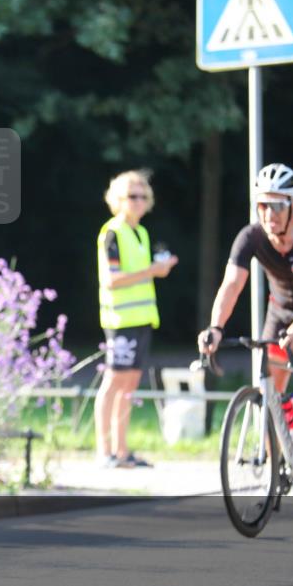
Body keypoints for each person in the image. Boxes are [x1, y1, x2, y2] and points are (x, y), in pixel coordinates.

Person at [197, 162, 293, 443]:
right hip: (280, 309)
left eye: (277, 206)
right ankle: (277, 466)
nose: (269, 214)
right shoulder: (250, 236)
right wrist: (215, 327)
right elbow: (231, 285)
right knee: (269, 396)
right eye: (262, 205)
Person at [95, 170, 179, 468]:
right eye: (133, 195)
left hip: (142, 318)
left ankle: (122, 450)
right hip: (120, 320)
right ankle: (104, 450)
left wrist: (160, 268)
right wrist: (152, 272)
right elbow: (113, 280)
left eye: (143, 195)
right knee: (113, 382)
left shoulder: (141, 232)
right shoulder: (112, 233)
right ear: (118, 199)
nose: (139, 201)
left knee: (130, 384)